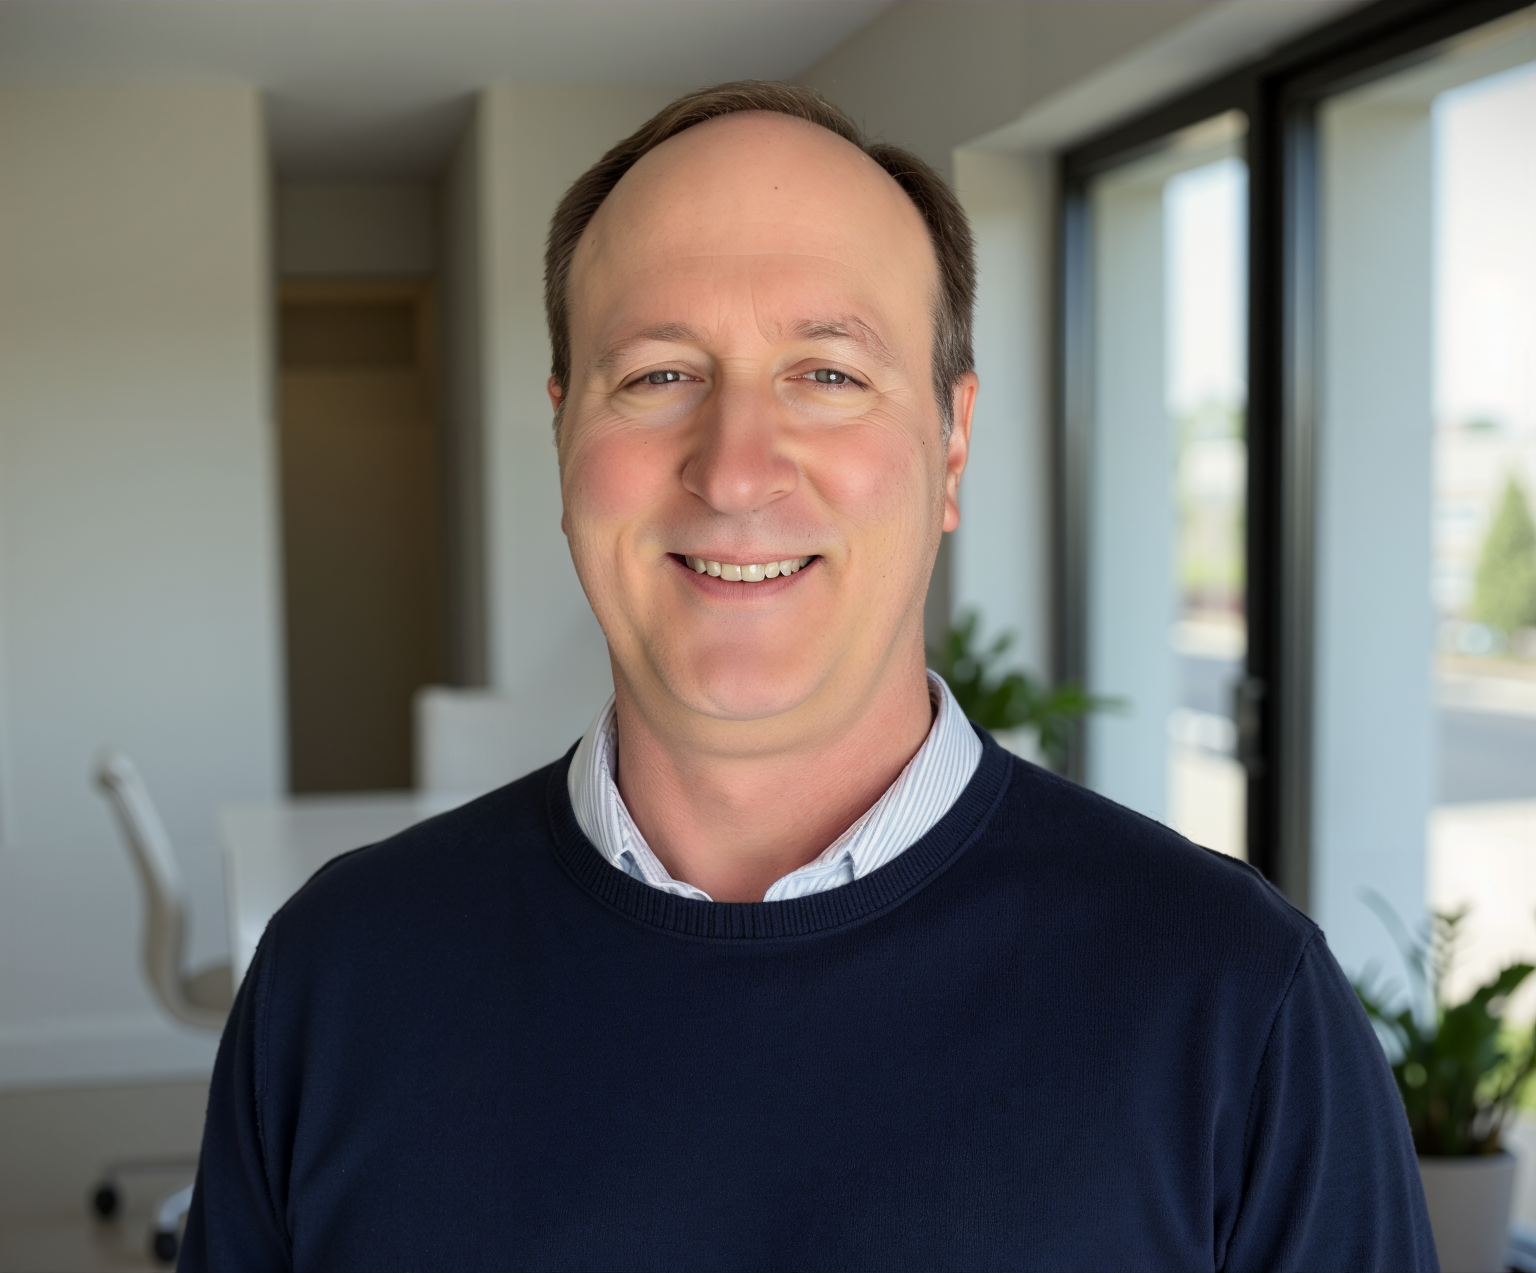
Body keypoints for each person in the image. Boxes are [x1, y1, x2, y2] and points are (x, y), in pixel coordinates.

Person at [182, 82, 1436, 1272]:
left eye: (829, 374)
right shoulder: (335, 982)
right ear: (564, 433)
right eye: (660, 374)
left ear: (951, 445)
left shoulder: (1238, 1010)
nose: (735, 469)